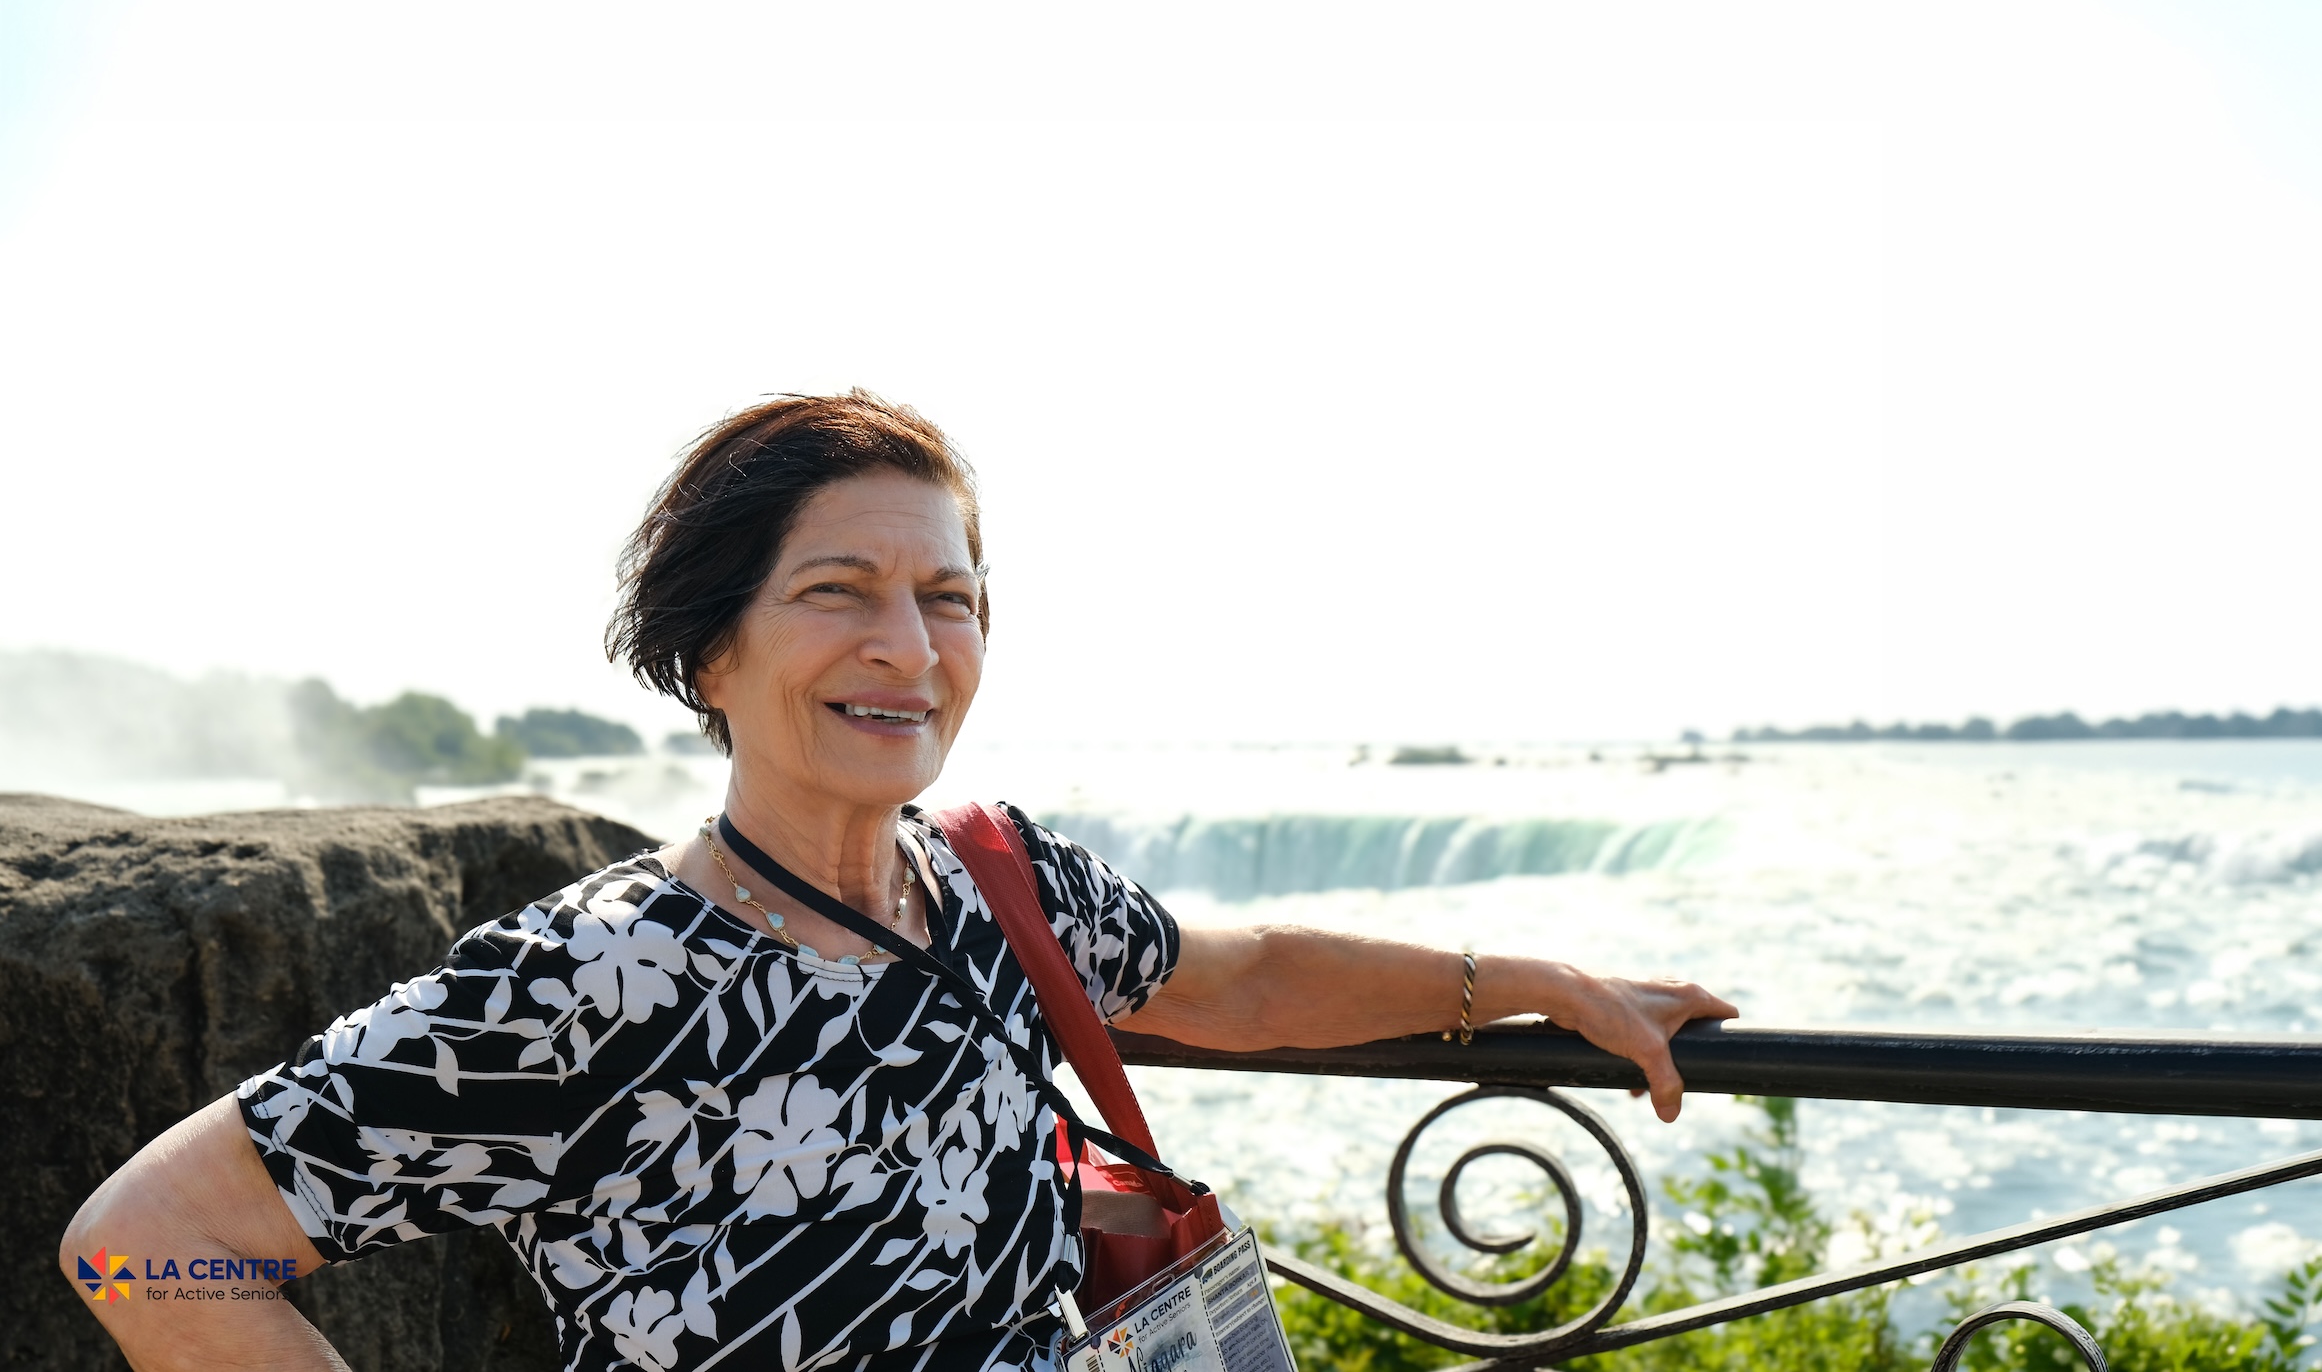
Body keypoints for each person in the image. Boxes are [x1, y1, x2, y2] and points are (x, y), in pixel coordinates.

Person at [62, 392, 1737, 1371]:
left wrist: (1533, 982)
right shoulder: (588, 983)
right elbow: (146, 1241)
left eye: (949, 597)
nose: (908, 646)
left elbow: (1236, 980)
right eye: (838, 590)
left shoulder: (999, 882)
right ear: (711, 651)